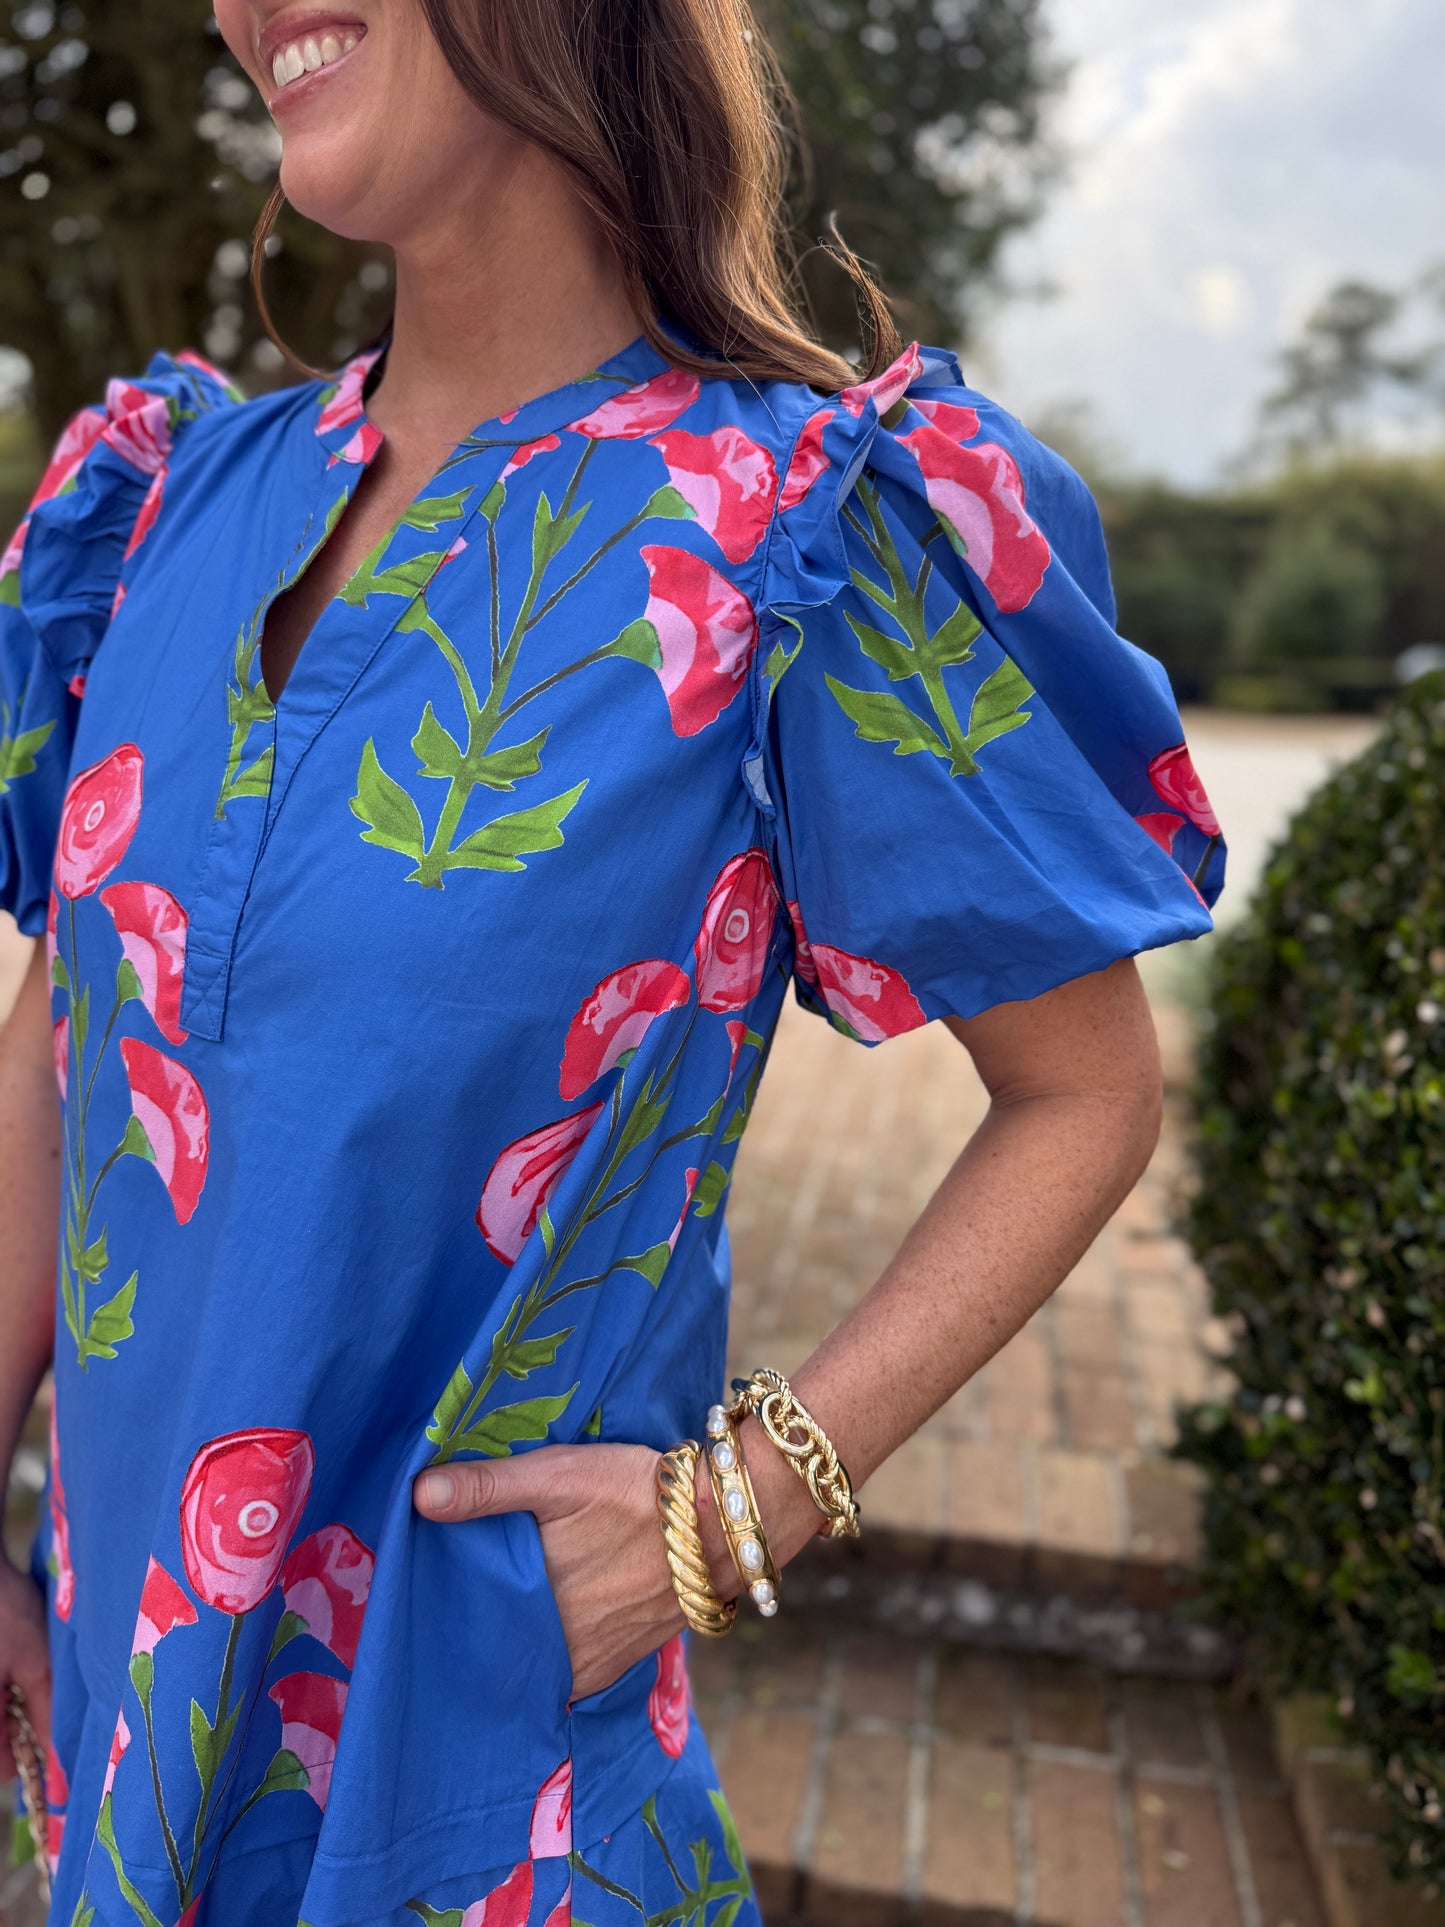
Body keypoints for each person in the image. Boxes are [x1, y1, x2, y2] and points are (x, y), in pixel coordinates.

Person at [0, 1, 1226, 1921]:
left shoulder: (788, 536)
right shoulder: (166, 508)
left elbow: (1084, 1086)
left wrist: (744, 1508)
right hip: (122, 1734)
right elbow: (65, 1044)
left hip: (474, 1776)